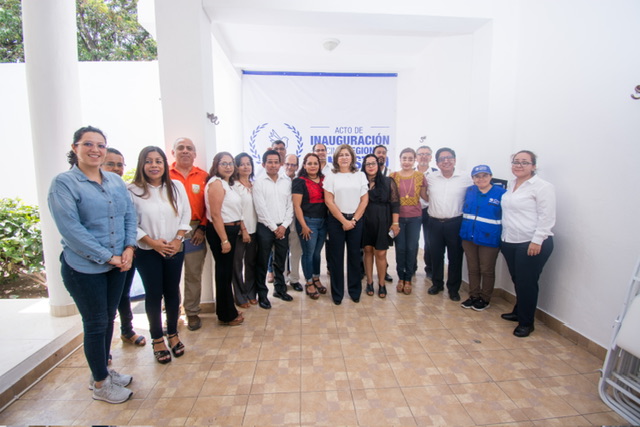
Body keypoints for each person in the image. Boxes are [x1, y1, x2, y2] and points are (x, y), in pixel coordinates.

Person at [48, 126, 135, 404]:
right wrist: (108, 256)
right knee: (96, 323)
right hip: (84, 269)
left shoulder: (115, 182)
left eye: (100, 145)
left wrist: (129, 247)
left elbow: (129, 216)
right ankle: (100, 384)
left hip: (117, 264)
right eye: (88, 144)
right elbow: (71, 230)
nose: (95, 150)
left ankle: (103, 371)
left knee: (108, 319)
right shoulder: (64, 184)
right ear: (75, 148)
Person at [128, 146, 191, 364]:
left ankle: (172, 334)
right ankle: (157, 339)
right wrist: (153, 243)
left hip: (174, 248)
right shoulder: (132, 190)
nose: (154, 165)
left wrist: (178, 239)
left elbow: (186, 214)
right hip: (148, 251)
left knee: (172, 292)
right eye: (149, 161)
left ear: (164, 164)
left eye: (158, 161)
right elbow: (131, 223)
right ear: (141, 165)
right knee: (154, 295)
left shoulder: (176, 186)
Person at [500, 150, 555, 337]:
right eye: (516, 162)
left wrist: (537, 240)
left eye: (524, 162)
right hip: (510, 240)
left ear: (534, 166)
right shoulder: (511, 184)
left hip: (531, 242)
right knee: (518, 280)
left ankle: (526, 322)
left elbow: (547, 217)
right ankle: (519, 311)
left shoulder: (542, 187)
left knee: (527, 283)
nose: (519, 165)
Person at [101, 148, 146, 348]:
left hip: (126, 252)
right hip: (100, 256)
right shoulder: (89, 190)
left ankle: (127, 330)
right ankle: (102, 351)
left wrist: (129, 247)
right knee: (104, 306)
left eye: (120, 165)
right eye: (110, 164)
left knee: (123, 294)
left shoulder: (124, 190)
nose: (116, 169)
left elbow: (130, 220)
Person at [169, 137, 209, 331]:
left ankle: (192, 312)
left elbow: (209, 205)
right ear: (173, 152)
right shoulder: (164, 174)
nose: (185, 151)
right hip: (170, 230)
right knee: (170, 275)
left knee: (193, 273)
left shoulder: (203, 176)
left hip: (195, 231)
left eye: (189, 148)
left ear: (194, 154)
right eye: (180, 148)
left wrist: (202, 228)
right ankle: (172, 313)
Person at [323, 144, 369, 305]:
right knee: (336, 258)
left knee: (355, 256)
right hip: (336, 221)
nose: (344, 157)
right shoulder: (331, 176)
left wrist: (353, 220)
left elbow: (364, 200)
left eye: (347, 155)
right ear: (336, 158)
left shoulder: (360, 175)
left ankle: (355, 292)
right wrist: (343, 221)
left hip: (356, 220)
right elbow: (329, 201)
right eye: (341, 155)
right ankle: (337, 294)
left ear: (352, 157)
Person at [204, 152, 245, 326]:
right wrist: (224, 240)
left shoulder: (227, 184)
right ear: (216, 165)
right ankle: (226, 315)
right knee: (223, 273)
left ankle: (228, 309)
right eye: (223, 163)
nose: (228, 167)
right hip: (222, 232)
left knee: (226, 273)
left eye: (230, 163)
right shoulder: (216, 183)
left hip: (231, 230)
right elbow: (215, 215)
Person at [426, 147, 472, 301]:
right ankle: (437, 284)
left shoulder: (466, 178)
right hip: (434, 222)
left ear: (455, 160)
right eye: (441, 159)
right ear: (437, 162)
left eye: (449, 158)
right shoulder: (431, 178)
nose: (446, 161)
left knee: (455, 257)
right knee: (436, 255)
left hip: (455, 223)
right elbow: (424, 194)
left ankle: (453, 288)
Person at [459, 165, 506, 311]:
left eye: (485, 175)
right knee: (472, 268)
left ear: (491, 176)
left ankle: (485, 298)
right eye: (477, 176)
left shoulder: (501, 193)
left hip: (489, 238)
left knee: (486, 269)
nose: (481, 179)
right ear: (473, 179)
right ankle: (473, 295)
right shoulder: (470, 191)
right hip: (469, 236)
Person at [253, 149, 295, 309]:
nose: (273, 165)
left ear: (281, 164)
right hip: (265, 227)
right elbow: (260, 208)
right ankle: (263, 295)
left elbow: (290, 205)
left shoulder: (286, 181)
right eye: (269, 162)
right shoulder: (259, 182)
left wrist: (284, 225)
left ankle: (280, 289)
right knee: (263, 262)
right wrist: (274, 227)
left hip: (283, 226)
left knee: (280, 260)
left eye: (276, 162)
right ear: (264, 164)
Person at [360, 154, 399, 298]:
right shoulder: (360, 182)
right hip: (365, 221)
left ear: (378, 165)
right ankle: (369, 282)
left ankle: (381, 283)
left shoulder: (388, 182)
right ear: (364, 166)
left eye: (373, 163)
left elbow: (395, 204)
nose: (371, 166)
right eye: (368, 164)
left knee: (381, 253)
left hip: (383, 221)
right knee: (368, 251)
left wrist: (395, 223)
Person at [390, 148, 428, 295]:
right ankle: (401, 277)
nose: (407, 162)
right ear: (400, 159)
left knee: (412, 248)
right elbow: (390, 199)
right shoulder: (393, 176)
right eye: (404, 158)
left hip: (415, 218)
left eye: (410, 159)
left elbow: (425, 196)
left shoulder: (420, 176)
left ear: (415, 160)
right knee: (400, 248)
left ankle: (408, 279)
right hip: (397, 218)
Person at [292, 153, 328, 299]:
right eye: (309, 163)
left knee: (317, 253)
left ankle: (316, 277)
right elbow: (297, 206)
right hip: (308, 222)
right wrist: (304, 225)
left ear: (319, 165)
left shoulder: (325, 180)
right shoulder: (299, 182)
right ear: (304, 165)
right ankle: (308, 282)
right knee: (308, 253)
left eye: (315, 163)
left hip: (323, 222)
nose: (313, 166)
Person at [232, 152, 258, 307]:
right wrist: (243, 229)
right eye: (242, 164)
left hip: (255, 230)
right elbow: (236, 210)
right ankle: (240, 296)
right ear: (236, 167)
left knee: (251, 263)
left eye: (248, 164)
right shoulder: (234, 186)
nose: (246, 167)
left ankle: (251, 292)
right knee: (237, 265)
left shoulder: (254, 185)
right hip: (240, 231)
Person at [416, 145, 438, 279]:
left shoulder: (437, 174)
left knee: (430, 241)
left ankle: (430, 268)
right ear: (416, 157)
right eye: (421, 154)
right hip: (412, 211)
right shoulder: (409, 172)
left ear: (431, 157)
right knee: (412, 242)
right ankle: (411, 268)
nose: (423, 156)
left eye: (427, 154)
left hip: (430, 211)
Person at [284, 154, 303, 292]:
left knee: (296, 252)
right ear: (283, 164)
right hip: (281, 223)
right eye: (288, 164)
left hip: (296, 222)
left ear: (297, 166)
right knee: (281, 253)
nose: (290, 167)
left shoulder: (300, 181)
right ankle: (282, 280)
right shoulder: (278, 180)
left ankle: (294, 279)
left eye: (293, 165)